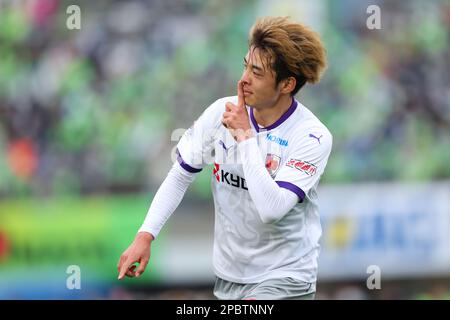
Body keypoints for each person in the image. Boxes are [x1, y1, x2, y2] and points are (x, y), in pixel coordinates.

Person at [117, 16, 331, 300]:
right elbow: (180, 175)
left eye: (257, 72)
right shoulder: (220, 113)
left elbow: (272, 209)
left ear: (287, 84)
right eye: (245, 66)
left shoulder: (311, 136)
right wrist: (145, 235)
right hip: (230, 277)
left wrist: (245, 136)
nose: (243, 80)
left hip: (286, 276)